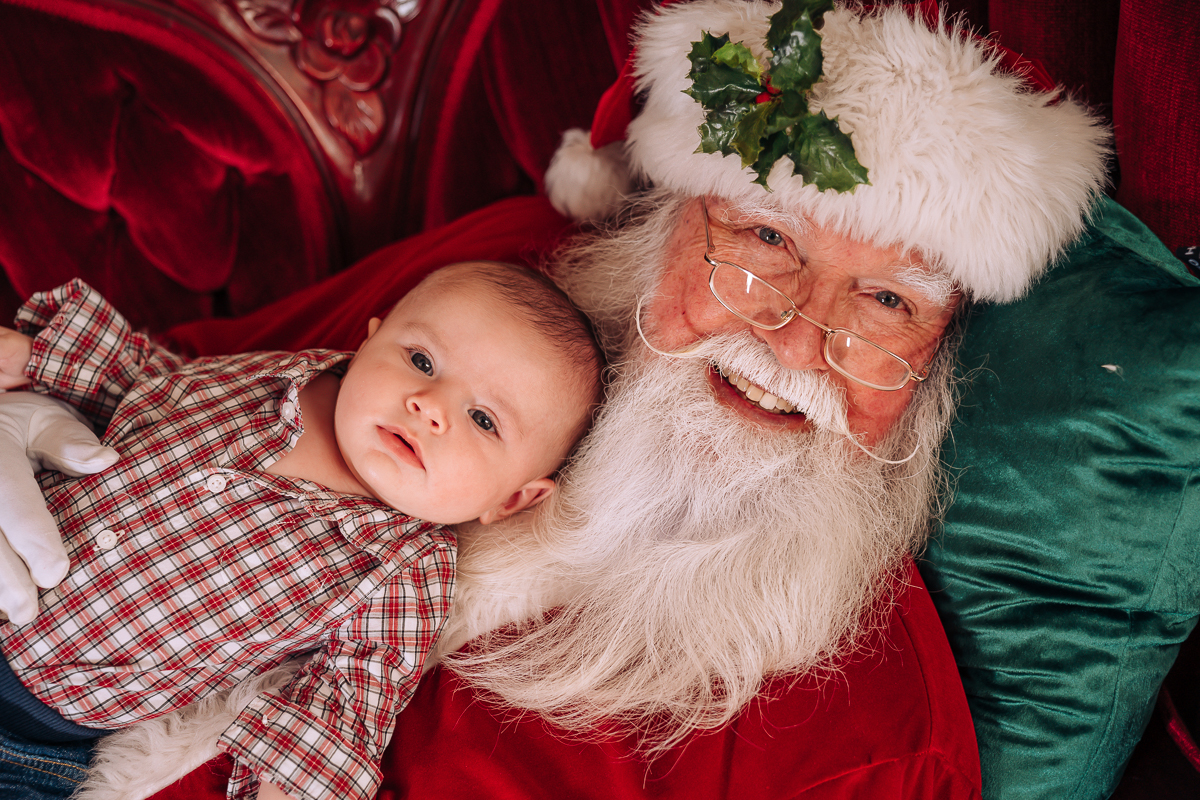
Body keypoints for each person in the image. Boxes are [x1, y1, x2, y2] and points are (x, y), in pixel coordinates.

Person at [0, 1, 1112, 799]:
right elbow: (191, 371)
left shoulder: (876, 744)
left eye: (883, 300)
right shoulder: (505, 284)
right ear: (659, 216)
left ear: (941, 358)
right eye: (765, 236)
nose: (794, 336)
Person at [0, 260, 604, 800]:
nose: (429, 403)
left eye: (482, 419)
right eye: (421, 360)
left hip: (36, 730)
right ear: (369, 343)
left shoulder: (405, 567)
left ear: (514, 500)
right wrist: (34, 358)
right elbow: (155, 386)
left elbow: (349, 697)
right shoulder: (284, 375)